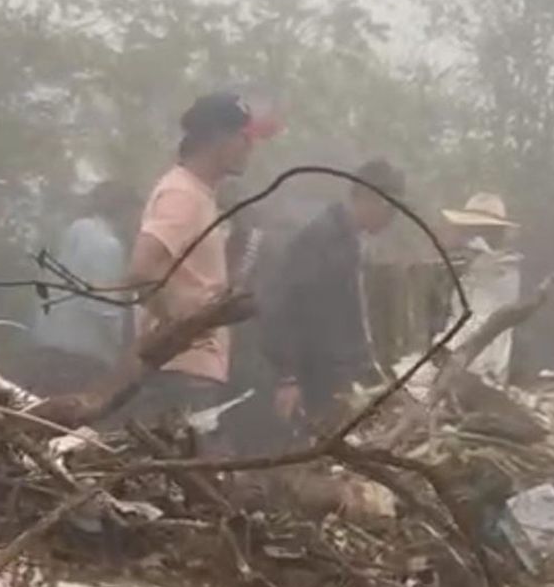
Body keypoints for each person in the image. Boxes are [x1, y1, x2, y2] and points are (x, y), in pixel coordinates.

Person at [121, 92, 276, 426]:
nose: (250, 148)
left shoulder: (200, 195)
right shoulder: (182, 194)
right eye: (245, 138)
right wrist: (179, 325)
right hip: (180, 375)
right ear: (219, 137)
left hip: (191, 372)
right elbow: (141, 270)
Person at [262, 159, 407, 439]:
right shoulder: (320, 239)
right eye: (390, 208)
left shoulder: (351, 244)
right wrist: (288, 377)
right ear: (366, 198)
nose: (392, 219)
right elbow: (283, 306)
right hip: (312, 378)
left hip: (338, 379)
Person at [29, 182, 130, 395]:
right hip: (84, 356)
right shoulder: (108, 246)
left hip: (48, 344)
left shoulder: (74, 232)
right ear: (124, 210)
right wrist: (124, 349)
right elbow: (103, 304)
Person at [440, 192, 521, 387]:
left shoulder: (502, 271)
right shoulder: (467, 269)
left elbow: (476, 327)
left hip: (478, 373)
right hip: (460, 368)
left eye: (478, 229)